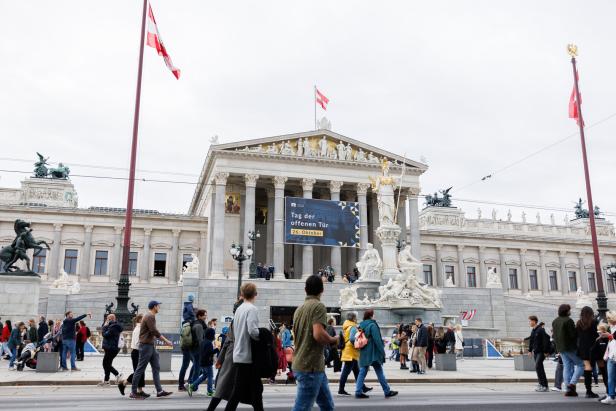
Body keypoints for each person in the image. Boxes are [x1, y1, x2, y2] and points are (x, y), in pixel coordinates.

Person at [291, 275, 338, 411]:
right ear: (322, 290)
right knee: (302, 407)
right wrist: (333, 340)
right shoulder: (318, 306)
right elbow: (318, 334)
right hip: (310, 366)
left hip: (309, 365)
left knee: (327, 406)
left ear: (305, 289)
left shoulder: (299, 310)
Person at [224, 283, 263, 411]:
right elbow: (253, 331)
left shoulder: (239, 309)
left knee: (253, 389)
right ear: (255, 294)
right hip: (248, 356)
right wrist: (262, 336)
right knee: (241, 390)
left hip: (239, 353)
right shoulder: (252, 309)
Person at [130, 300, 173, 399]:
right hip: (146, 346)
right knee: (140, 368)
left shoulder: (150, 316)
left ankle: (159, 391)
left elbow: (152, 332)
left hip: (150, 345)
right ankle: (133, 392)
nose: (159, 307)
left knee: (156, 367)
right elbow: (154, 331)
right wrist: (166, 341)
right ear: (154, 307)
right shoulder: (150, 316)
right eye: (158, 306)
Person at [205, 299, 243, 411]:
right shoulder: (239, 321)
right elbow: (228, 342)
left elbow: (226, 342)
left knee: (231, 388)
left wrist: (220, 359)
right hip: (236, 357)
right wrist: (220, 359)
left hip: (232, 355)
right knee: (227, 386)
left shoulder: (235, 320)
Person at [355, 309, 398, 399]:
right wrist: (382, 351)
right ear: (371, 315)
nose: (375, 316)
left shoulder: (361, 325)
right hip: (373, 352)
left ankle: (358, 391)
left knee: (362, 371)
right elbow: (377, 340)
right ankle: (387, 391)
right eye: (373, 314)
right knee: (379, 371)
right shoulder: (372, 325)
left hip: (364, 350)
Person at [552, 303, 584, 397]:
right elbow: (573, 335)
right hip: (570, 347)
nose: (570, 311)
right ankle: (572, 384)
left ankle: (567, 388)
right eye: (569, 310)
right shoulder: (568, 320)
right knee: (581, 364)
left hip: (561, 348)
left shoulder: (555, 321)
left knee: (567, 366)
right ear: (566, 311)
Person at [338, 312, 371, 396]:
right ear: (353, 318)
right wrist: (358, 345)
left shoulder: (347, 326)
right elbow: (352, 339)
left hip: (349, 351)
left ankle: (363, 387)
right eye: (356, 318)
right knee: (346, 372)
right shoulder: (352, 327)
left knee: (357, 371)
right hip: (351, 352)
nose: (357, 319)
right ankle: (341, 389)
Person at [117, 314, 147, 397]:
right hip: (137, 352)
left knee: (141, 372)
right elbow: (138, 343)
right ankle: (123, 383)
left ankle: (140, 390)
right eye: (144, 318)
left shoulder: (140, 328)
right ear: (140, 320)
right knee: (138, 372)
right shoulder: (138, 329)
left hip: (138, 352)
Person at [575, 306, 600, 398]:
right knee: (597, 366)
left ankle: (588, 391)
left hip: (582, 348)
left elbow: (576, 335)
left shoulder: (579, 323)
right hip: (592, 347)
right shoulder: (593, 322)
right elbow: (596, 335)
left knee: (587, 367)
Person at [187, 327, 216, 396]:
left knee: (204, 376)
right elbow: (208, 353)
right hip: (207, 363)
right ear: (211, 335)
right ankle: (210, 391)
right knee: (210, 376)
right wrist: (216, 350)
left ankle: (192, 386)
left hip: (202, 362)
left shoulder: (203, 342)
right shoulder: (209, 343)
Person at [184, 309, 207, 392]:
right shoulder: (199, 326)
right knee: (198, 368)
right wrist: (204, 350)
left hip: (194, 349)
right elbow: (201, 340)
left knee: (196, 367)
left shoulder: (196, 323)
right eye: (204, 315)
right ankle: (193, 386)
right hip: (197, 349)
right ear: (199, 316)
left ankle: (190, 383)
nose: (206, 317)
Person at [99, 313, 123, 387]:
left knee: (106, 364)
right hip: (110, 348)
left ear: (110, 319)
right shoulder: (112, 326)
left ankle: (117, 375)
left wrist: (105, 326)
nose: (106, 320)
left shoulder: (114, 327)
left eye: (107, 319)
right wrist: (105, 326)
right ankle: (107, 381)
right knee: (107, 364)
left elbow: (105, 334)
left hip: (111, 348)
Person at [528, 316, 549, 392]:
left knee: (538, 366)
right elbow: (531, 341)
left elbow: (546, 340)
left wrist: (546, 351)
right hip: (536, 352)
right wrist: (530, 350)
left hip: (541, 352)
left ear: (534, 321)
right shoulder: (533, 330)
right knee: (539, 368)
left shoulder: (541, 330)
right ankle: (541, 384)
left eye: (530, 321)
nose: (529, 323)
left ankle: (544, 386)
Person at [601, 311, 616, 404]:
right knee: (610, 377)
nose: (607, 320)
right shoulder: (611, 328)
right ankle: (611, 396)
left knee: (611, 377)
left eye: (608, 318)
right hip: (611, 355)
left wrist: (609, 335)